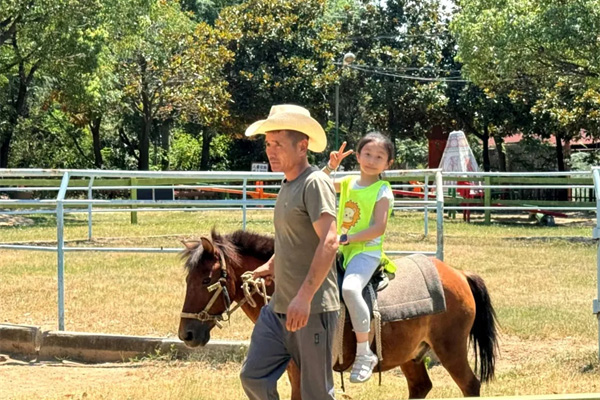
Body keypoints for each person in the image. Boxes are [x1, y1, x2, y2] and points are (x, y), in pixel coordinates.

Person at [240, 104, 340, 400]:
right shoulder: (287, 185)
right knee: (253, 377)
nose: (270, 151)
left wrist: (304, 297)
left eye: (278, 144)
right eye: (268, 144)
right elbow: (293, 239)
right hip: (278, 308)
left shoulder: (315, 182)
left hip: (312, 308)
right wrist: (271, 264)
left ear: (303, 146)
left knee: (315, 394)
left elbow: (330, 241)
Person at [322, 132, 396, 383]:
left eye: (379, 157)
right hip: (343, 250)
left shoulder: (382, 189)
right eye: (367, 154)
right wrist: (330, 166)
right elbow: (319, 183)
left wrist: (345, 239)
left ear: (388, 164)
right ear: (357, 155)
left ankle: (365, 353)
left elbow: (378, 228)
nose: (372, 160)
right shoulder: (348, 182)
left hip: (366, 252)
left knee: (351, 290)